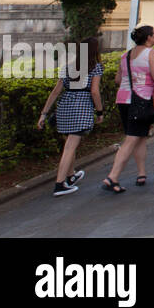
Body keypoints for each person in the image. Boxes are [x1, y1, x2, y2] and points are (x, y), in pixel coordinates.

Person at [38, 36, 103, 197]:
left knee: (69, 143)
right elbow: (95, 91)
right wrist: (100, 111)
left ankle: (70, 175)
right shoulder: (95, 68)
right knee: (70, 147)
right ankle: (59, 184)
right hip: (81, 108)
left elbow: (55, 92)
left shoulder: (68, 67)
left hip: (65, 106)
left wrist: (44, 114)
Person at [103, 26, 154, 192]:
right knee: (131, 140)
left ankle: (141, 173)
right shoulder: (151, 54)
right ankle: (112, 177)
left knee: (139, 137)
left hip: (123, 99)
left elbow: (117, 79)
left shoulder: (125, 55)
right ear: (149, 37)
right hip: (141, 100)